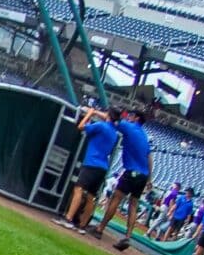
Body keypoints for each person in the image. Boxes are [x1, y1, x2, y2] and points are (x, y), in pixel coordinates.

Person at [89, 102, 155, 246]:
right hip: (143, 175)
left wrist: (93, 112)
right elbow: (150, 158)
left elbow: (111, 119)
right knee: (133, 205)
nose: (129, 117)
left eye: (131, 115)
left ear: (136, 118)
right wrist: (150, 179)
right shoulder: (144, 135)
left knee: (115, 199)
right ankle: (128, 236)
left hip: (132, 172)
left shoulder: (129, 127)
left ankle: (100, 229)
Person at [64, 108, 119, 232]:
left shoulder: (101, 126)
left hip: (91, 163)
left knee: (78, 189)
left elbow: (81, 126)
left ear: (108, 115)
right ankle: (83, 226)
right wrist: (97, 113)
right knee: (90, 197)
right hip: (102, 167)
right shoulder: (114, 133)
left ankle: (68, 219)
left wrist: (90, 113)